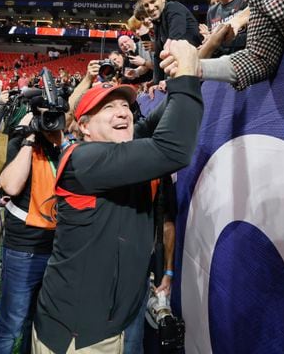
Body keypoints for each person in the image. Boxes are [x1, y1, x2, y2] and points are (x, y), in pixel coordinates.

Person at [33, 40, 203, 353]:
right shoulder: (82, 160)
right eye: (108, 107)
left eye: (125, 105)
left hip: (119, 317)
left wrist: (190, 67)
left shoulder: (117, 147)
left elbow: (157, 117)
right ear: (83, 127)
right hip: (80, 335)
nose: (122, 111)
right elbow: (172, 149)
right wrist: (187, 79)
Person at [0, 111, 63, 354]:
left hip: (58, 248)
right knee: (11, 324)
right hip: (24, 249)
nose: (48, 123)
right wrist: (29, 139)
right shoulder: (19, 145)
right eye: (42, 119)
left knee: (38, 321)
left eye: (53, 118)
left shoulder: (63, 149)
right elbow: (10, 186)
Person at [139, 0, 202, 85]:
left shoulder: (173, 8)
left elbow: (175, 39)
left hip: (199, 71)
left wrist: (168, 81)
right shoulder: (157, 22)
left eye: (153, 1)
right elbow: (157, 55)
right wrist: (155, 83)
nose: (150, 8)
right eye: (146, 5)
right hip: (185, 72)